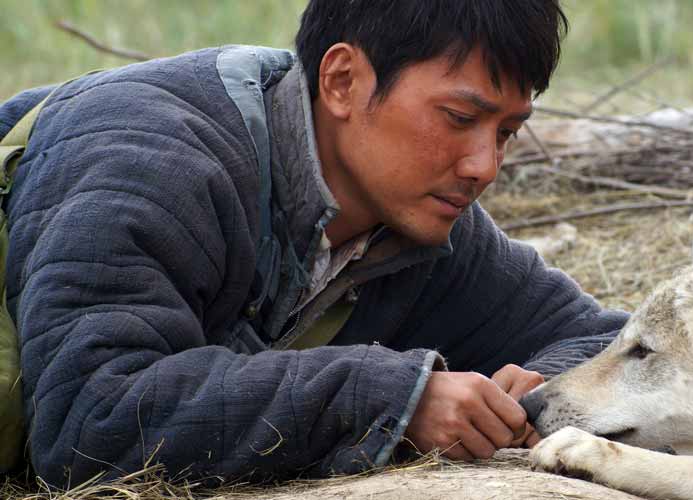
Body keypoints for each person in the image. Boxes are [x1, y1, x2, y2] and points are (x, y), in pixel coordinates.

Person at [0, 0, 626, 488]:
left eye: (508, 132)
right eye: (460, 119)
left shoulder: (421, 222)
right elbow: (89, 422)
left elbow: (605, 341)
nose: (484, 166)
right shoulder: (152, 160)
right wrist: (392, 401)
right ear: (343, 80)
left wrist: (539, 392)